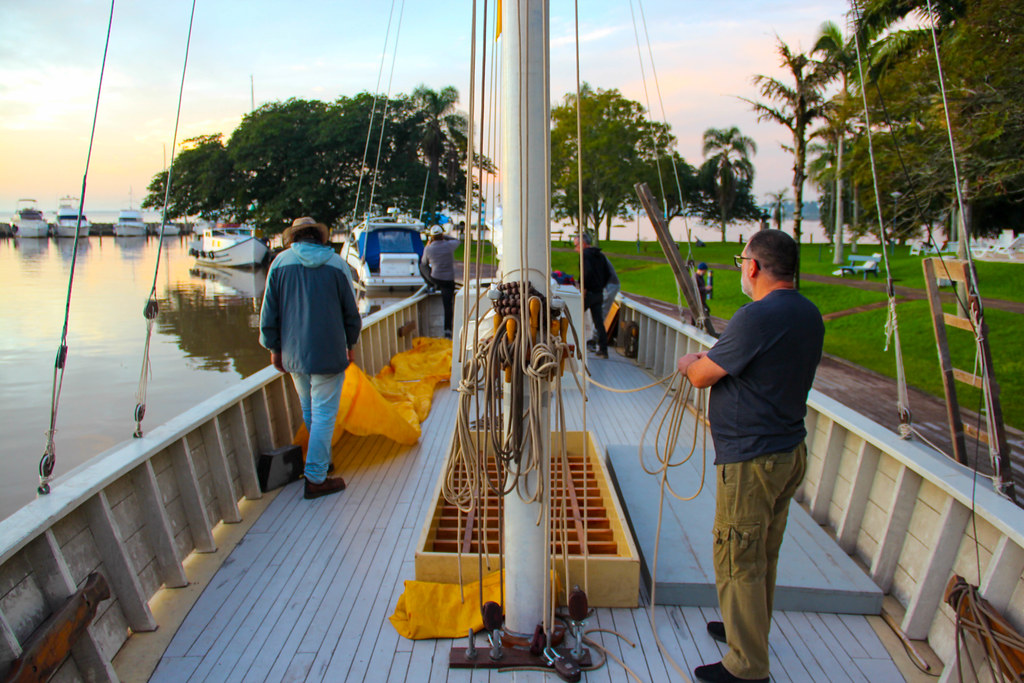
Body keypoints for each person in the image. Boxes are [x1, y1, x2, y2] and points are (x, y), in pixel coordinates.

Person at [677, 230, 824, 683]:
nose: (742, 267)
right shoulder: (807, 313)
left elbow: (703, 375)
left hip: (751, 460)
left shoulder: (756, 316)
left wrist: (688, 363)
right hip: (787, 452)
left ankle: (746, 667)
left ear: (755, 267)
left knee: (737, 556)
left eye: (743, 260)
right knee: (763, 552)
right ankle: (747, 629)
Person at [259, 217, 362, 500]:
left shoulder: (279, 264)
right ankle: (316, 478)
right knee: (324, 414)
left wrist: (273, 349)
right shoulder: (337, 265)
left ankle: (321, 461)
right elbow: (351, 314)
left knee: (311, 410)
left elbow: (269, 314)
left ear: (293, 238)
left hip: (293, 353)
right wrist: (351, 343)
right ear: (319, 237)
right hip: (329, 351)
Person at [574, 232, 610, 358]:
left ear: (583, 244)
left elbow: (586, 272)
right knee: (599, 322)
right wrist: (600, 286)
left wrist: (583, 287)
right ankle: (603, 350)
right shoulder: (600, 255)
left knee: (574, 317)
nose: (575, 249)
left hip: (587, 293)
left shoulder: (585, 255)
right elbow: (608, 274)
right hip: (598, 293)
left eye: (576, 246)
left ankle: (574, 346)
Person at [420, 224, 460, 339]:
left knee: (422, 266)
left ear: (431, 237)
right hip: (448, 280)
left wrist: (429, 243)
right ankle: (447, 330)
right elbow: (457, 240)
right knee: (447, 305)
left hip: (436, 279)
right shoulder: (449, 245)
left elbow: (424, 263)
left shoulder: (428, 248)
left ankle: (431, 286)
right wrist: (446, 237)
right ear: (442, 235)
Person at [588, 251, 619, 350]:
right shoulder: (595, 255)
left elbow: (597, 274)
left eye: (577, 246)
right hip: (604, 287)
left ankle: (594, 340)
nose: (576, 249)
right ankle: (595, 341)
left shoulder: (592, 257)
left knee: (601, 313)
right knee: (598, 314)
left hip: (609, 286)